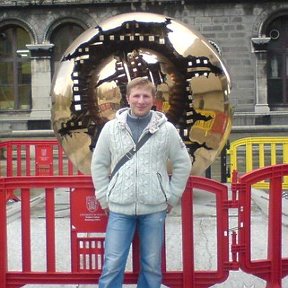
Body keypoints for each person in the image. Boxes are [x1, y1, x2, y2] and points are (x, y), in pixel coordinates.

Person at [91, 77, 192, 288]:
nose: (141, 101)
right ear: (127, 98)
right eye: (136, 96)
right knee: (112, 264)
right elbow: (99, 164)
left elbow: (183, 162)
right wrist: (103, 196)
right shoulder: (111, 129)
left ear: (154, 99)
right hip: (119, 207)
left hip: (154, 207)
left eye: (146, 96)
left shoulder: (167, 130)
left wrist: (172, 196)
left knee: (152, 266)